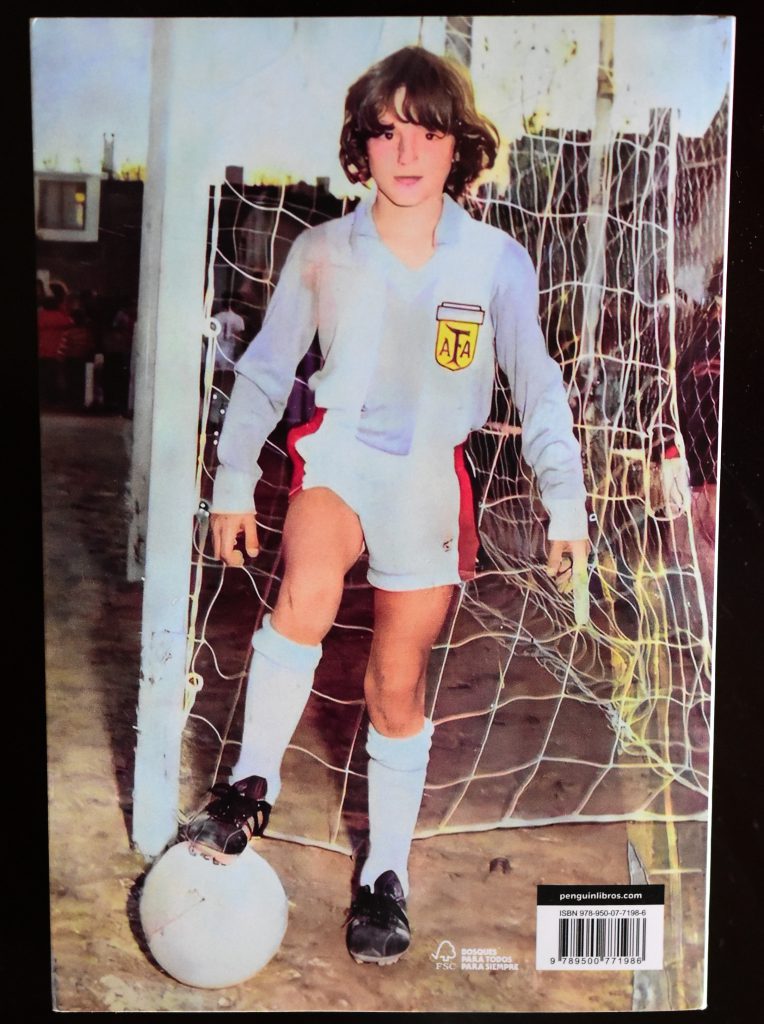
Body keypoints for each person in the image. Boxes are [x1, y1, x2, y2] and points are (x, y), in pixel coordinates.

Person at [185, 46, 590, 966]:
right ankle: (250, 782)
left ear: (461, 148)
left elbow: (539, 387)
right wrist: (232, 483)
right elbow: (262, 372)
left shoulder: (496, 261)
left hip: (427, 483)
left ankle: (386, 874)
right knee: (305, 590)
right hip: (336, 456)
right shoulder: (323, 249)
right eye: (386, 132)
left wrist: (564, 501)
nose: (407, 152)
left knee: (394, 685)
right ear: (360, 148)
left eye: (429, 132)